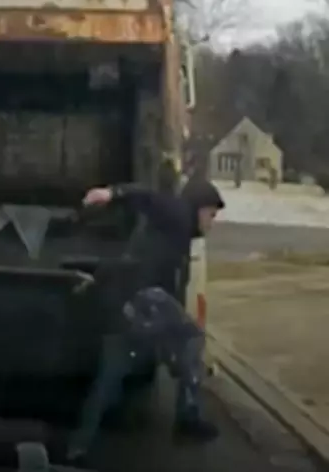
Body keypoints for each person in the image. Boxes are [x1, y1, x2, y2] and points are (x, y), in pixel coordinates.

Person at [65, 179, 226, 465]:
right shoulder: (178, 212)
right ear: (198, 208)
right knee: (192, 336)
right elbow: (149, 196)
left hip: (130, 310)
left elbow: (137, 265)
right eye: (211, 215)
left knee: (109, 378)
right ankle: (187, 420)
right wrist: (112, 194)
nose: (212, 224)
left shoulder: (172, 237)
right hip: (145, 302)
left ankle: (77, 447)